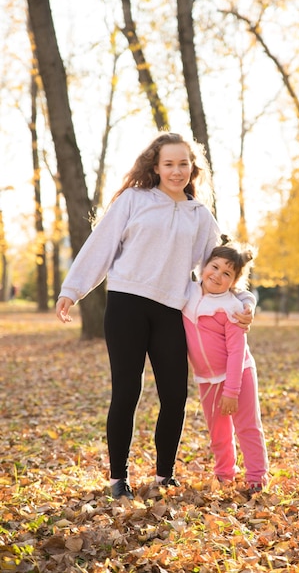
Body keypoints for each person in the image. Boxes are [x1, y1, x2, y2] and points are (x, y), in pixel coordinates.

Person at [55, 132, 255, 500]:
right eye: (169, 164)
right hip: (127, 305)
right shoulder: (134, 200)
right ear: (156, 166)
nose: (177, 171)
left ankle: (165, 474)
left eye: (183, 164)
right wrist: (72, 290)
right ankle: (119, 478)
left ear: (193, 169)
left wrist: (245, 301)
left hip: (171, 311)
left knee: (175, 394)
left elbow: (220, 270)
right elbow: (100, 246)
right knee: (127, 390)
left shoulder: (200, 216)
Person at [182, 237, 269, 494]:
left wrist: (232, 391)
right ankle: (224, 474)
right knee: (218, 432)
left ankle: (256, 478)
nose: (217, 275)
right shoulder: (188, 292)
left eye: (227, 273)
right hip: (207, 380)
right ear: (204, 266)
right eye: (215, 266)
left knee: (247, 427)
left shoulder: (232, 307)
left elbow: (236, 351)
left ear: (234, 282)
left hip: (237, 374)